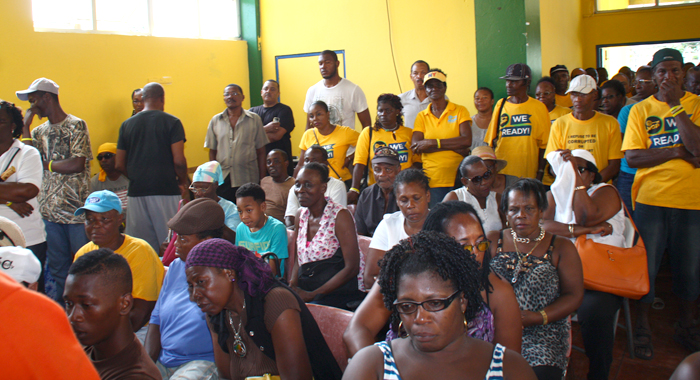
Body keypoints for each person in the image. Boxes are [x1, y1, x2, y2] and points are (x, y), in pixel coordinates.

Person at [343, 231, 535, 380]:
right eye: (408, 306)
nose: (420, 318)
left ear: (462, 300)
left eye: (435, 303)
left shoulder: (509, 368)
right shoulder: (371, 365)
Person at [344, 200, 524, 356]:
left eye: (479, 243)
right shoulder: (404, 274)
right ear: (436, 245)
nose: (476, 254)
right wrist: (379, 370)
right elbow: (357, 330)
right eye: (464, 246)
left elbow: (507, 363)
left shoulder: (497, 290)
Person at [622, 48, 700, 359]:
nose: (668, 76)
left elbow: (699, 149)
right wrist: (677, 153)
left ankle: (688, 322)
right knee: (647, 267)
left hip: (691, 201)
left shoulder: (695, 105)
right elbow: (633, 156)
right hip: (651, 200)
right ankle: (642, 324)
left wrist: (676, 107)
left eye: (674, 70)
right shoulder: (641, 110)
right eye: (662, 72)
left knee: (689, 268)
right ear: (654, 76)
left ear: (684, 73)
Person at [185, 238, 343, 380]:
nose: (194, 295)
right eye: (190, 286)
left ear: (228, 274)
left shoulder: (276, 302)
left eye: (201, 282)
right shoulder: (216, 315)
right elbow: (226, 376)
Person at [542, 149, 626, 380]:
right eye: (567, 168)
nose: (571, 173)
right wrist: (583, 231)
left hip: (600, 277)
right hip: (561, 274)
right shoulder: (555, 194)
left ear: (591, 175)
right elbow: (541, 226)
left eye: (580, 169)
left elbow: (588, 214)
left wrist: (576, 182)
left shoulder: (606, 191)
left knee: (594, 312)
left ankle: (599, 373)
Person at [489, 179, 584, 380]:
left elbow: (574, 295)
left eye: (529, 208)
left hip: (543, 333)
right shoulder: (491, 240)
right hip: (492, 329)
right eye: (513, 209)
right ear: (505, 213)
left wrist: (539, 317)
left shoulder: (561, 247)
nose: (521, 215)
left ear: (541, 211)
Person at [17, 77, 92, 302]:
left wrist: (47, 164)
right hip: (48, 213)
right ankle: (62, 313)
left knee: (83, 267)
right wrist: (25, 129)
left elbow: (76, 164)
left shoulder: (76, 125)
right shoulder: (39, 132)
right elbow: (31, 160)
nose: (32, 106)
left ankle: (87, 310)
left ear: (46, 97)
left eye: (33, 100)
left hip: (76, 213)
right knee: (59, 270)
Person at [145, 198, 222, 379]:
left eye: (182, 239)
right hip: (165, 359)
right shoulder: (176, 267)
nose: (175, 244)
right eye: (175, 236)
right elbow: (155, 321)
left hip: (202, 361)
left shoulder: (222, 274)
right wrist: (146, 365)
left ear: (206, 242)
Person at [73, 190, 165, 336]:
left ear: (120, 219)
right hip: (96, 327)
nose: (96, 225)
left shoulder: (140, 251)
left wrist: (102, 338)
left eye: (104, 219)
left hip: (138, 329)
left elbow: (141, 314)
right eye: (90, 219)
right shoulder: (83, 254)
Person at [116, 82, 190, 252]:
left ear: (143, 99)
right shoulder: (172, 122)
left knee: (140, 248)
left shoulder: (126, 125)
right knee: (172, 246)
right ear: (162, 99)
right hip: (165, 190)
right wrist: (182, 182)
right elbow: (179, 161)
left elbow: (119, 164)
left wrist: (137, 176)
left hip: (136, 193)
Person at [64, 249, 161, 379]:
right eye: (69, 304)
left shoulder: (136, 376)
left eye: (86, 305)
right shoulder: (87, 351)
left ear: (124, 304)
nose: (73, 317)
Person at [0, 270, 100, 379]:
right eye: (69, 304)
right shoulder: (45, 315)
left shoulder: (43, 318)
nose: (75, 316)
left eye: (86, 305)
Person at [290, 162, 364, 309]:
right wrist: (292, 285)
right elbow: (299, 257)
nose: (300, 190)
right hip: (309, 285)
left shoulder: (339, 216)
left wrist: (313, 295)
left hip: (337, 291)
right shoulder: (301, 215)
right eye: (297, 185)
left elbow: (352, 268)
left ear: (323, 188)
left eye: (308, 185)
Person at [0, 100, 47, 292]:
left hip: (27, 239)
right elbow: (18, 193)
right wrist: (10, 201)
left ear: (13, 126)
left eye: (1, 121)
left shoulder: (27, 153)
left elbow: (28, 191)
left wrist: (14, 197)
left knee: (30, 299)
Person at [545, 74, 623, 184]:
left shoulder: (610, 123)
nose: (577, 99)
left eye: (583, 94)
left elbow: (614, 165)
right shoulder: (559, 124)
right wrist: (573, 185)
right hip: (570, 188)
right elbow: (553, 165)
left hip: (600, 189)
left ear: (595, 94)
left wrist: (592, 184)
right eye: (574, 94)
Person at [411, 69, 472, 205]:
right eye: (430, 86)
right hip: (433, 180)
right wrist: (454, 147)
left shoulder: (460, 110)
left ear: (445, 87)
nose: (434, 89)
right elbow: (417, 146)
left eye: (438, 85)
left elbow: (467, 140)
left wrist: (433, 143)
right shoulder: (422, 116)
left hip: (459, 177)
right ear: (425, 90)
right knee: (438, 221)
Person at [364, 168, 430, 289]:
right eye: (403, 200)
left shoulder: (442, 223)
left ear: (428, 196)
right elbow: (369, 278)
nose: (410, 205)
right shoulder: (388, 225)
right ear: (397, 202)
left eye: (416, 198)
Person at [485, 64, 550, 181]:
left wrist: (540, 172)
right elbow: (491, 141)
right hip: (502, 173)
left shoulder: (539, 107)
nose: (508, 85)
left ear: (526, 82)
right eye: (507, 81)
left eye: (513, 81)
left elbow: (544, 145)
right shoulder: (501, 104)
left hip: (527, 173)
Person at [348, 93, 417, 204]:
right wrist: (354, 189)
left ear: (398, 112)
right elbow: (360, 163)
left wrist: (402, 176)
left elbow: (417, 162)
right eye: (380, 111)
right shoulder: (368, 133)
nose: (383, 114)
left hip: (404, 189)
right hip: (376, 190)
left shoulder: (409, 133)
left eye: (388, 111)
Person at [205, 84, 268, 201]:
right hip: (223, 178)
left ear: (242, 97)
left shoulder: (254, 119)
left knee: (248, 213)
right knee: (224, 213)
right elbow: (212, 151)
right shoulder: (215, 121)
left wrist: (262, 179)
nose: (230, 97)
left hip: (247, 177)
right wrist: (214, 177)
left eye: (234, 93)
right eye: (227, 94)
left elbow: (261, 152)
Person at [616, 66, 656, 214]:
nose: (637, 86)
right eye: (636, 81)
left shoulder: (670, 109)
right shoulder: (629, 110)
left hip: (656, 174)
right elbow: (628, 151)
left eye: (644, 81)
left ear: (656, 81)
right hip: (630, 174)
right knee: (628, 220)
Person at [303, 50, 371, 130]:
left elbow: (366, 124)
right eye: (320, 64)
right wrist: (307, 142)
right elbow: (309, 125)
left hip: (345, 142)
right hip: (320, 142)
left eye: (327, 62)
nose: (323, 67)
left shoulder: (353, 90)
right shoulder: (312, 90)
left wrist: (362, 142)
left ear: (337, 64)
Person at [297, 100, 360, 185]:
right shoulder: (308, 135)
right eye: (311, 116)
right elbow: (301, 164)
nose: (315, 118)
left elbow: (366, 142)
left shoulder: (345, 132)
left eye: (319, 114)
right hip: (315, 185)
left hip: (340, 182)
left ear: (328, 114)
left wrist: (350, 158)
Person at [284, 145, 347, 228]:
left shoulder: (337, 186)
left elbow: (333, 217)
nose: (310, 164)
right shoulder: (296, 188)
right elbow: (290, 216)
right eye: (306, 160)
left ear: (325, 163)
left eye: (315, 160)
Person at [235, 183, 289, 277]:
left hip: (268, 282)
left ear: (263, 207)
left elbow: (272, 271)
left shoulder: (277, 229)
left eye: (249, 210)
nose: (244, 217)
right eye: (240, 211)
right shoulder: (241, 228)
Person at [444, 156, 504, 234]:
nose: (484, 182)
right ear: (465, 181)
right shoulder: (455, 198)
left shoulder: (497, 199)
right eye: (477, 179)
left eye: (486, 175)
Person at [249, 80, 295, 176]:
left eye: (272, 89)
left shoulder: (284, 110)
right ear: (261, 92)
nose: (268, 91)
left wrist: (253, 135)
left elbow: (276, 136)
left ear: (278, 94)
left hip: (280, 166)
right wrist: (266, 128)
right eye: (265, 89)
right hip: (256, 165)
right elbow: (245, 136)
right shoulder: (252, 112)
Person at [354, 147, 401, 237]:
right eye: (377, 170)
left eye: (388, 169)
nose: (382, 174)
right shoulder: (366, 194)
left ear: (398, 169)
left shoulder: (406, 194)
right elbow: (359, 232)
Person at [190, 161, 241, 233]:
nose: (199, 193)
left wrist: (214, 220)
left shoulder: (230, 209)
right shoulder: (191, 208)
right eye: (195, 189)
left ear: (216, 185)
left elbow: (234, 238)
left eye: (204, 189)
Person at [90, 142, 129, 213]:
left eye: (107, 156)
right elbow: (94, 209)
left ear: (118, 157)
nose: (103, 160)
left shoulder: (129, 176)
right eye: (100, 157)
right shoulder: (95, 182)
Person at [260, 149, 295, 223]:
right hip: (259, 224)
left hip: (278, 228)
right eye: (268, 162)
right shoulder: (264, 181)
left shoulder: (294, 185)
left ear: (286, 163)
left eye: (276, 161)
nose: (271, 165)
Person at [398, 60, 432, 130]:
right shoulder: (401, 99)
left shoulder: (439, 98)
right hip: (411, 140)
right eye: (415, 73)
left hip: (434, 140)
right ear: (411, 77)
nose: (419, 76)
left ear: (429, 75)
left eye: (423, 73)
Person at [471, 87, 495, 152]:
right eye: (477, 98)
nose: (480, 100)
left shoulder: (499, 121)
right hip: (474, 161)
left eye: (485, 98)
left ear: (492, 101)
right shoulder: (468, 122)